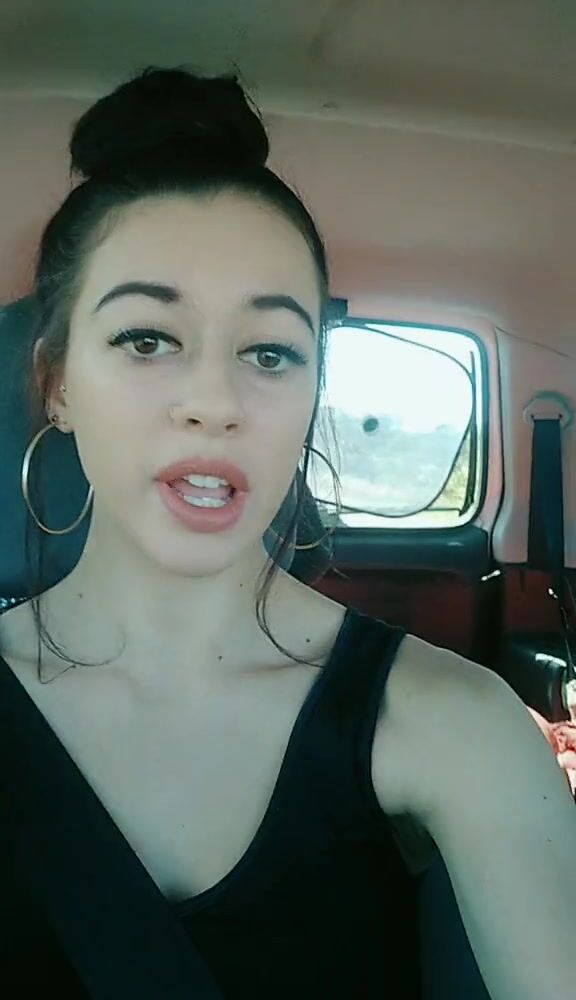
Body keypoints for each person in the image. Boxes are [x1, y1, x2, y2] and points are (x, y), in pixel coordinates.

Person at [0, 67, 574, 1000]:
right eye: (147, 339)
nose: (215, 403)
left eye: (269, 352)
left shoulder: (457, 724)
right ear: (58, 382)